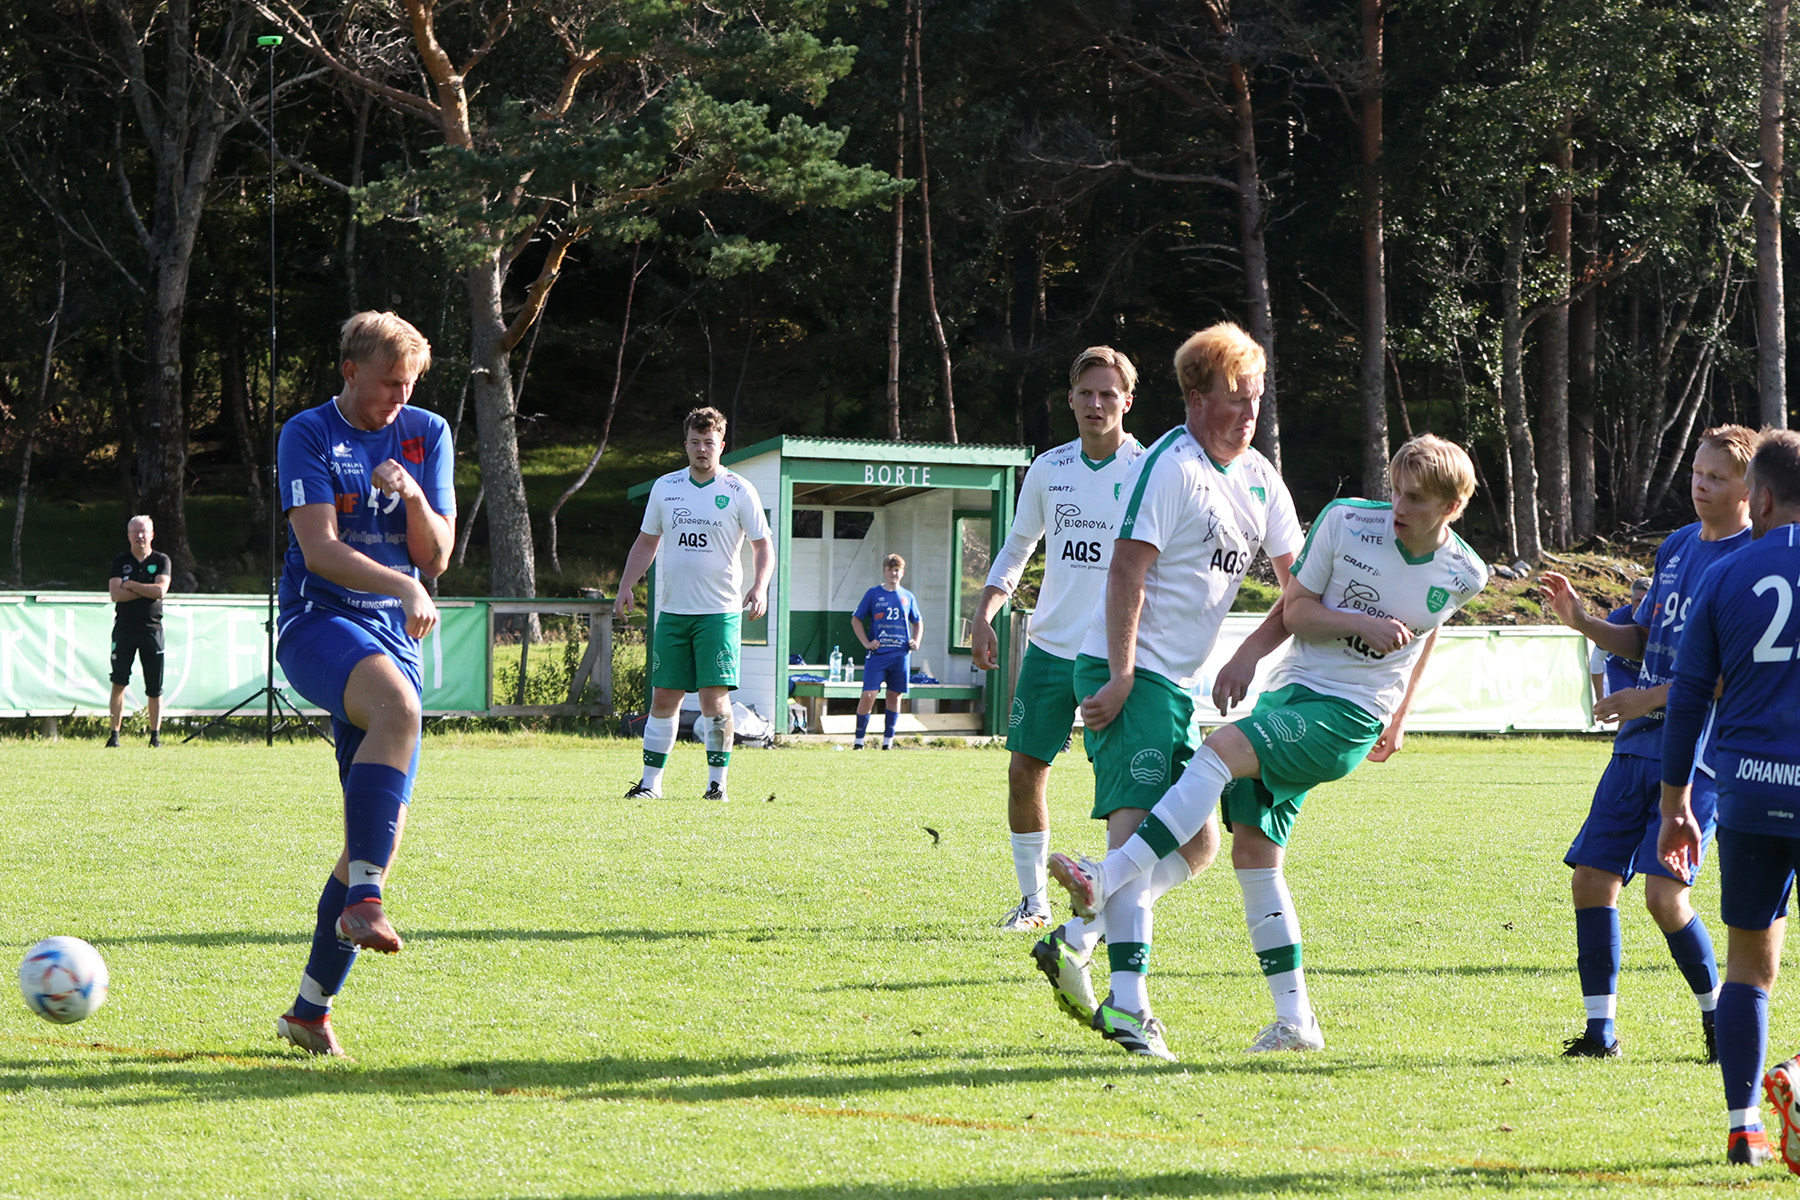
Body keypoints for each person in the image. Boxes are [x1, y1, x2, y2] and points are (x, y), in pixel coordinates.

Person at [1050, 434, 1488, 1056]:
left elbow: (1428, 629)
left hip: (1350, 714)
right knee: (1252, 854)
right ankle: (1296, 1022)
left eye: (1414, 499)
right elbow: (1297, 610)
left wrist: (1400, 714)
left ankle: (1107, 879)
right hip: (1290, 695)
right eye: (1394, 490)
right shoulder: (1345, 522)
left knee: (1219, 751)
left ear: (1451, 507)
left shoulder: (1467, 573)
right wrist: (1276, 650)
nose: (1397, 506)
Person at [1032, 322, 1302, 1061]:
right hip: (1129, 671)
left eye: (1257, 398)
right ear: (1194, 397)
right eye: (1236, 398)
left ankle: (1081, 933)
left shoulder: (1260, 477)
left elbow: (1299, 587)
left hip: (1177, 684)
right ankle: (1129, 1007)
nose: (1249, 413)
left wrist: (1254, 653)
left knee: (1200, 841)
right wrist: (1120, 674)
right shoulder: (1170, 465)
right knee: (1134, 834)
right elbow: (1126, 569)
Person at [270, 311, 456, 1058]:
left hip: (393, 640)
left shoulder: (427, 432)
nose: (399, 400)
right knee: (400, 710)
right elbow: (318, 550)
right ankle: (367, 903)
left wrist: (412, 497)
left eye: (409, 386)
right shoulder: (308, 433)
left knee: (367, 851)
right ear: (350, 372)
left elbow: (435, 557)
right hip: (318, 623)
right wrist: (403, 587)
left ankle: (309, 1014)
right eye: (388, 385)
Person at [1541, 425, 1757, 1060]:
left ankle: (1718, 1019)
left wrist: (1649, 697)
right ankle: (1600, 1033)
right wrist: (1583, 621)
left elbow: (1734, 673)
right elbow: (1641, 638)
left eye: (1717, 477)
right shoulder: (1677, 546)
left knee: (1665, 897)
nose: (1701, 484)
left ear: (1750, 489)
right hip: (1636, 749)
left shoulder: (1754, 559)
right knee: (1591, 880)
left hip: (1700, 757)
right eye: (1697, 472)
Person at [1658, 429, 1800, 1171]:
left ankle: (1744, 1128)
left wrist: (1675, 803)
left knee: (1749, 967)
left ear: (1762, 498)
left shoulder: (1725, 573)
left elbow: (1686, 699)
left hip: (1749, 790)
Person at [971, 346, 1146, 931]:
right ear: (1069, 398)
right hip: (1048, 649)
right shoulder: (1049, 468)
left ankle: (1118, 906)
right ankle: (1034, 903)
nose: (1096, 403)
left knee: (1121, 789)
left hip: (1113, 654)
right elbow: (1018, 546)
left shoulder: (1148, 470)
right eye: (1086, 392)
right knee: (1024, 770)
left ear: (1127, 400)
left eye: (1108, 393)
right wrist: (985, 612)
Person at [617, 407, 772, 803]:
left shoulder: (739, 489)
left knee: (713, 700)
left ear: (722, 445)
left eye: (709, 442)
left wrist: (760, 587)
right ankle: (650, 785)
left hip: (719, 613)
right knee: (663, 698)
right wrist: (626, 584)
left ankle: (716, 786)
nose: (702, 449)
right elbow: (646, 541)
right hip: (672, 612)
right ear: (685, 444)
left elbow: (762, 545)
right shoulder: (665, 487)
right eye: (695, 442)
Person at [106, 515, 172, 748]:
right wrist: (146, 590)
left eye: (143, 531)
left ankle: (155, 737)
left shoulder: (161, 560)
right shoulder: (120, 560)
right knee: (119, 682)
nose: (139, 536)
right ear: (128, 535)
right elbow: (116, 594)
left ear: (152, 534)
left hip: (152, 630)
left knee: (154, 688)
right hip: (124, 629)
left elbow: (160, 591)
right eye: (135, 531)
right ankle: (114, 736)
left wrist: (132, 585)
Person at [851, 553, 922, 750]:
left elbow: (918, 622)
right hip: (878, 654)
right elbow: (856, 619)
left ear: (903, 572)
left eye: (897, 570)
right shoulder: (873, 594)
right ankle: (859, 741)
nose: (893, 573)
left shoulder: (908, 596)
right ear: (884, 571)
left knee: (894, 695)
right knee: (869, 694)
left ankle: (888, 741)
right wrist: (866, 643)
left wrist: (916, 641)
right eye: (890, 570)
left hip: (900, 654)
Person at [1588, 577, 1651, 709]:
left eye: (1647, 601)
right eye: (1638, 600)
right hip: (1623, 668)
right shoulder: (1616, 620)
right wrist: (1600, 700)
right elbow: (1597, 659)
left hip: (1651, 670)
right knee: (1627, 710)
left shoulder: (1667, 619)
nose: (1642, 606)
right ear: (1631, 599)